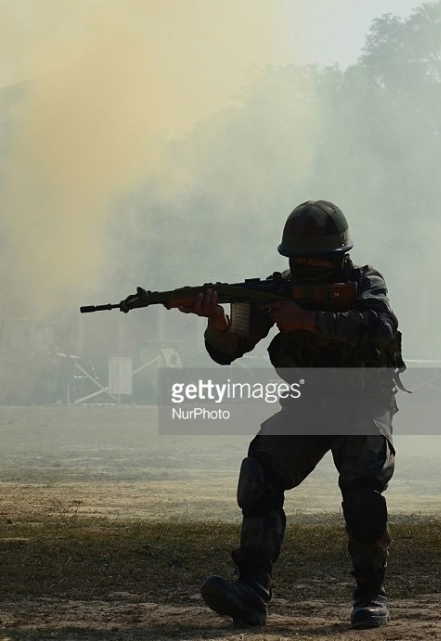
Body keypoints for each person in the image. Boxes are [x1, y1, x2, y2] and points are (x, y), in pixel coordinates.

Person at [170, 200, 403, 629]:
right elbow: (230, 349)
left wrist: (307, 320)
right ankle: (252, 592)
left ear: (338, 256)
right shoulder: (277, 290)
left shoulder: (364, 282)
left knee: (363, 493)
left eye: (314, 258)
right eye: (298, 259)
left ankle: (371, 593)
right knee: (260, 474)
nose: (305, 265)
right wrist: (217, 321)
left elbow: (381, 327)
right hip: (308, 404)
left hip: (363, 403)